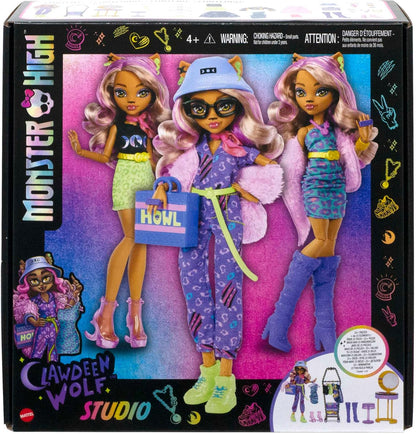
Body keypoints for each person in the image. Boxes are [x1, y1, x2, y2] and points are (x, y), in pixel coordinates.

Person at [151, 55, 284, 413]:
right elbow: (176, 176)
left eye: (223, 106)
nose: (212, 115)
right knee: (193, 283)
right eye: (200, 108)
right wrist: (163, 187)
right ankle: (207, 369)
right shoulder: (192, 151)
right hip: (193, 213)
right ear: (187, 111)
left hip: (227, 213)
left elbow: (272, 169)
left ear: (238, 106)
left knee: (228, 288)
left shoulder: (238, 149)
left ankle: (226, 377)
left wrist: (249, 190)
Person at [263, 53, 378, 352]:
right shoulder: (303, 132)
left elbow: (353, 161)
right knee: (321, 242)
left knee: (328, 250)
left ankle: (325, 327)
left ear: (335, 93)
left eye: (320, 91)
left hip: (336, 189)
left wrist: (363, 139)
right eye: (301, 92)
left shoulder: (339, 132)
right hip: (314, 187)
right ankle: (279, 318)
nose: (310, 99)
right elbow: (293, 168)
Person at [68, 54, 170, 349]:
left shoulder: (151, 129)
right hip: (125, 177)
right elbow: (105, 156)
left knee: (142, 241)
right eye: (122, 92)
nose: (132, 99)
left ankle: (135, 316)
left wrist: (163, 184)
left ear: (152, 93)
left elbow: (157, 160)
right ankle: (106, 312)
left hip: (147, 179)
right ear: (112, 94)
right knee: (132, 236)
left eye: (141, 92)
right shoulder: (117, 127)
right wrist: (80, 151)